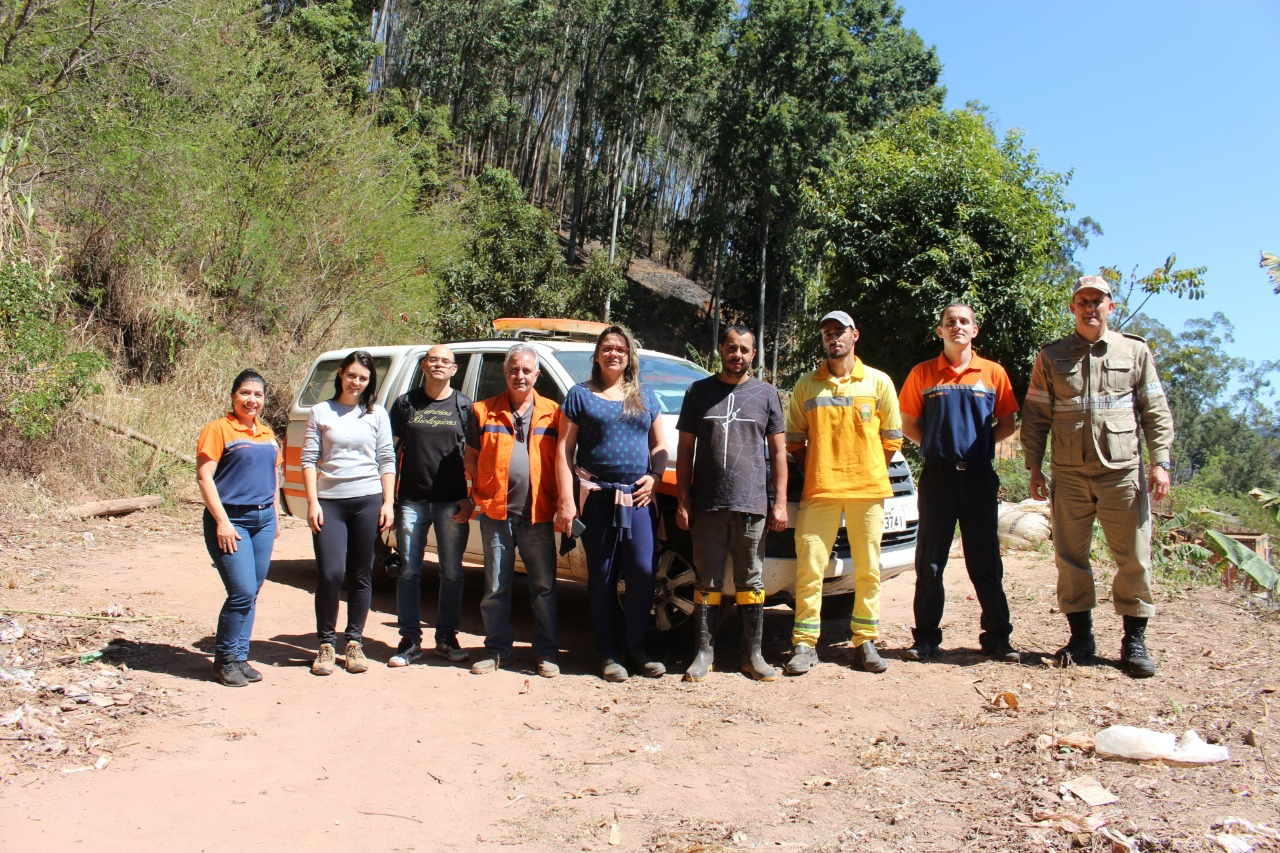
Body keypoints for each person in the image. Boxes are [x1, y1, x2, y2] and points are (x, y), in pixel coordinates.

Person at [1021, 275, 1174, 678]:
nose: (1090, 307)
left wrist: (1160, 461)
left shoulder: (1134, 351)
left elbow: (1154, 410)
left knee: (1134, 558)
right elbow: (1036, 415)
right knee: (1071, 559)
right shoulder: (1051, 356)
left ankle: (1134, 641)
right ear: (1072, 308)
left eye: (1098, 301)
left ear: (1111, 306)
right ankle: (1081, 639)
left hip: (1122, 473)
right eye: (1082, 301)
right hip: (1069, 475)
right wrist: (1034, 466)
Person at [898, 303, 1019, 663]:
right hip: (938, 477)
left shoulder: (993, 373)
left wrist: (977, 446)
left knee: (985, 559)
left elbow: (1009, 423)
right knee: (930, 562)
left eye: (964, 321)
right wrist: (937, 446)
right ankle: (926, 639)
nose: (957, 327)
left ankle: (997, 637)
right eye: (950, 322)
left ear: (975, 330)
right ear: (940, 331)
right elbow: (908, 424)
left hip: (980, 476)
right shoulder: (923, 373)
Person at [784, 310, 902, 675]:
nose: (833, 338)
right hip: (820, 490)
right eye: (827, 333)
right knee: (809, 568)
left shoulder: (879, 382)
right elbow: (795, 440)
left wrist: (865, 467)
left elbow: (892, 438)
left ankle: (865, 642)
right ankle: (804, 645)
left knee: (868, 569)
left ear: (855, 335)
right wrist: (822, 467)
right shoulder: (807, 385)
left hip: (868, 491)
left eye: (840, 331)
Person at [555, 325, 669, 682]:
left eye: (620, 348)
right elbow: (563, 450)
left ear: (629, 356)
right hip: (597, 497)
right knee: (601, 578)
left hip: (637, 500)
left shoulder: (646, 397)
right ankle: (607, 654)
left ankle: (636, 649)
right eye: (607, 348)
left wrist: (656, 477)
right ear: (597, 355)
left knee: (642, 573)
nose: (613, 353)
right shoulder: (579, 395)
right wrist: (566, 502)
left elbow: (659, 447)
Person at [675, 326, 787, 682]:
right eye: (731, 347)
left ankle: (751, 654)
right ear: (720, 349)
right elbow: (684, 450)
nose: (736, 354)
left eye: (744, 349)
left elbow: (779, 452)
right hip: (707, 503)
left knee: (750, 581)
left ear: (753, 354)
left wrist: (779, 502)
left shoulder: (767, 394)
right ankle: (704, 653)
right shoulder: (698, 392)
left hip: (751, 503)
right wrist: (682, 500)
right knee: (706, 579)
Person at [465, 344, 561, 677]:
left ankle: (546, 652)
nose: (520, 375)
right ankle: (495, 650)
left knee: (544, 587)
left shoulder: (554, 412)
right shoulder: (483, 411)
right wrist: (480, 490)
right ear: (505, 373)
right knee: (495, 586)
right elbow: (470, 457)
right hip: (496, 513)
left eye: (526, 370)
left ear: (537, 374)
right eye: (513, 370)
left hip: (538, 513)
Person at [300, 350, 396, 676]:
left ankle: (354, 641)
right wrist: (312, 502)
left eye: (363, 378)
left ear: (370, 382)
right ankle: (326, 643)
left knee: (362, 573)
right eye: (352, 375)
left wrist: (388, 502)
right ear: (341, 374)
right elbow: (309, 459)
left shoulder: (377, 414)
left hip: (368, 500)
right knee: (330, 574)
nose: (356, 382)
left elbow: (387, 459)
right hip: (330, 502)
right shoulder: (320, 412)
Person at [387, 345, 473, 667]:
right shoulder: (406, 403)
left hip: (452, 502)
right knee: (409, 571)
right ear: (424, 365)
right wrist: (389, 500)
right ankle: (409, 640)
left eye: (446, 361)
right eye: (433, 359)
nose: (439, 364)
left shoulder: (464, 406)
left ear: (454, 369)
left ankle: (446, 638)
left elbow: (476, 457)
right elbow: (391, 453)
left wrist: (472, 496)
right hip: (412, 501)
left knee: (452, 573)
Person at [196, 369, 282, 687]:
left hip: (263, 521)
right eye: (245, 393)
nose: (252, 400)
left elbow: (273, 477)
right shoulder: (217, 430)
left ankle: (239, 657)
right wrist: (222, 521)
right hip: (233, 521)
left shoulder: (266, 433)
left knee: (253, 592)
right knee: (241, 591)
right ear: (233, 396)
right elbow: (205, 477)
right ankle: (224, 660)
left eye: (257, 395)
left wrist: (274, 515)